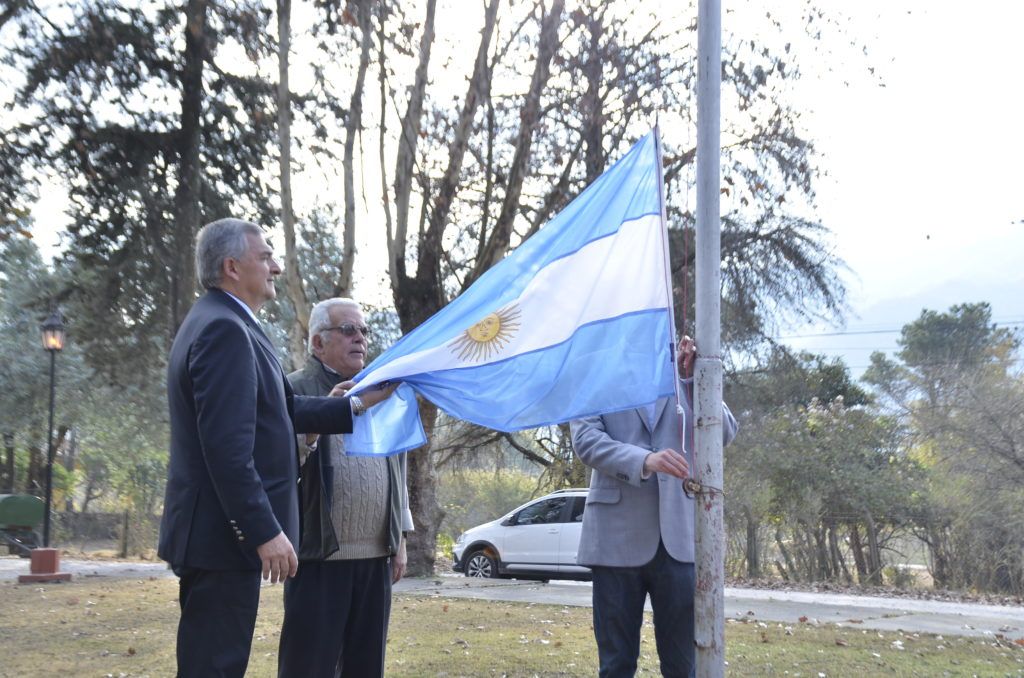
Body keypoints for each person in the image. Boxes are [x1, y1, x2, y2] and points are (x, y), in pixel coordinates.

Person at [158, 218, 395, 678]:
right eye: (265, 257)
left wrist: (356, 404)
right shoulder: (223, 330)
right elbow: (227, 450)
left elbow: (282, 409)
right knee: (214, 667)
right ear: (232, 266)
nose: (276, 267)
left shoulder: (225, 321)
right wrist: (263, 531)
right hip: (220, 540)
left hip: (218, 540)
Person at [570, 336, 739, 678]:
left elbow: (725, 433)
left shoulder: (686, 374)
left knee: (682, 666)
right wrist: (645, 460)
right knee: (616, 665)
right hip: (615, 542)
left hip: (680, 542)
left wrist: (693, 382)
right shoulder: (598, 374)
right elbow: (586, 441)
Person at [277, 298, 414, 678]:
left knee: (366, 667)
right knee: (308, 667)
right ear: (318, 343)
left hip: (375, 558)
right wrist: (325, 417)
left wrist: (400, 536)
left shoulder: (379, 389)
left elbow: (397, 464)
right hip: (317, 557)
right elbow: (278, 464)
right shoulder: (293, 389)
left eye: (364, 331)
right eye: (348, 330)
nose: (360, 339)